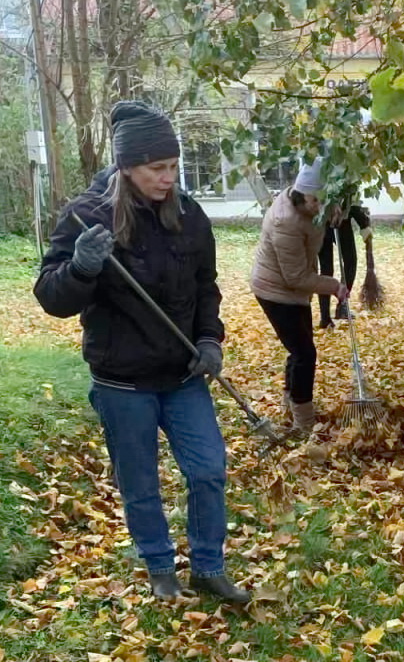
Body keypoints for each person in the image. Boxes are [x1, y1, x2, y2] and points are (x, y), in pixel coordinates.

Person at [33, 101, 250, 602]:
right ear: (126, 167)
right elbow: (50, 297)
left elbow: (205, 286)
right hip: (122, 381)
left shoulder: (189, 216)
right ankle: (160, 570)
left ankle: (208, 567)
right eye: (157, 168)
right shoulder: (87, 217)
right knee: (141, 484)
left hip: (182, 376)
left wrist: (209, 340)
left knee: (208, 469)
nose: (168, 178)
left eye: (173, 167)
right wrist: (81, 268)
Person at [251, 157, 348, 432]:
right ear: (299, 193)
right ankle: (304, 423)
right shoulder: (285, 221)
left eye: (323, 200)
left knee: (299, 349)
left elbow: (320, 215)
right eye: (314, 200)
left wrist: (332, 212)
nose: (318, 206)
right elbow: (294, 277)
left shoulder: (312, 206)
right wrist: (334, 286)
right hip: (275, 290)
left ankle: (291, 405)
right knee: (304, 352)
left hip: (295, 286)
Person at [317, 189, 372, 328]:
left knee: (350, 262)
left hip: (342, 220)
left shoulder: (346, 171)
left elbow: (350, 199)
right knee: (326, 268)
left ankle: (342, 305)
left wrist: (363, 223)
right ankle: (325, 317)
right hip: (321, 219)